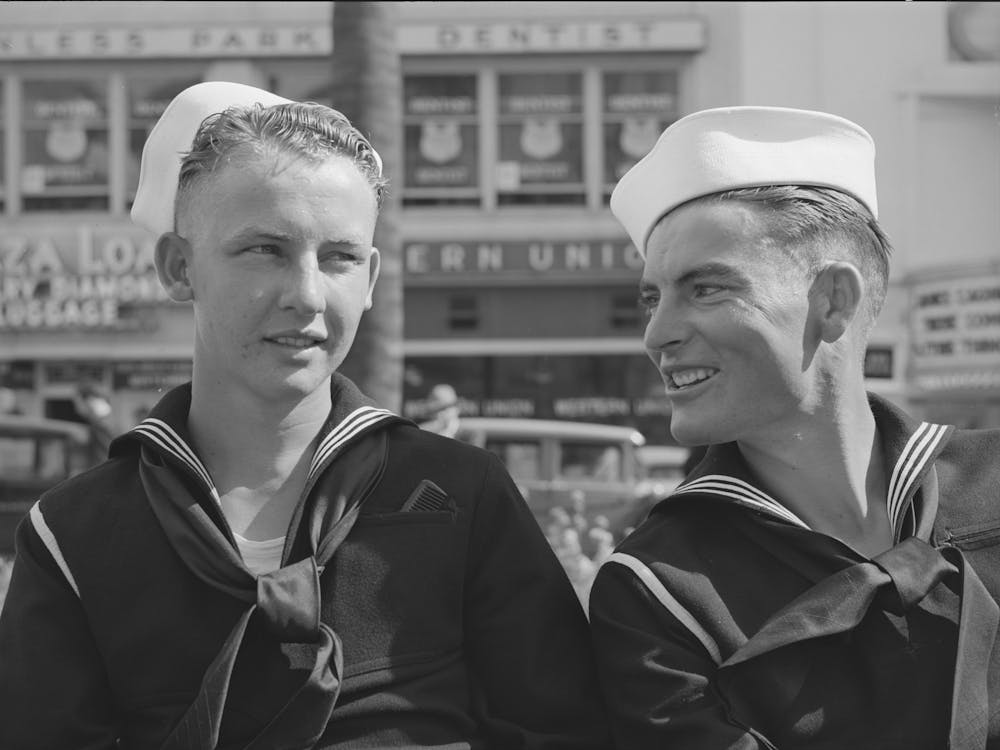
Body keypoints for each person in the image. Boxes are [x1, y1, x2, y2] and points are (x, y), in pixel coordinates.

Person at [0, 81, 611, 749]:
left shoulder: (462, 496)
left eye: (340, 257)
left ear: (372, 278)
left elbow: (561, 730)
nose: (308, 294)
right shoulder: (73, 533)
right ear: (179, 268)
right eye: (265, 249)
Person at [588, 106, 1000, 748]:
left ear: (832, 300)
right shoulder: (659, 588)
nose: (656, 334)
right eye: (652, 296)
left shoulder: (993, 483)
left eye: (706, 289)